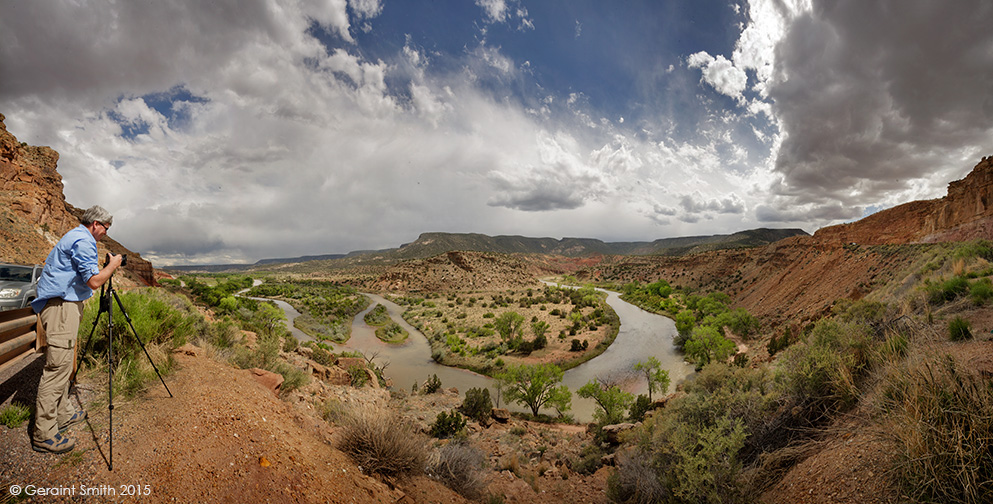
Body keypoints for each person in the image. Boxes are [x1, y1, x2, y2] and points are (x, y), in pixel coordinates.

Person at [30, 205, 123, 454]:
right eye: (106, 227)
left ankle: (63, 413)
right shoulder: (83, 240)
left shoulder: (75, 236)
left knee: (63, 364)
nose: (105, 232)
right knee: (58, 368)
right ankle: (44, 433)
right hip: (62, 307)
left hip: (64, 306)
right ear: (95, 224)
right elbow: (93, 282)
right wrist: (113, 265)